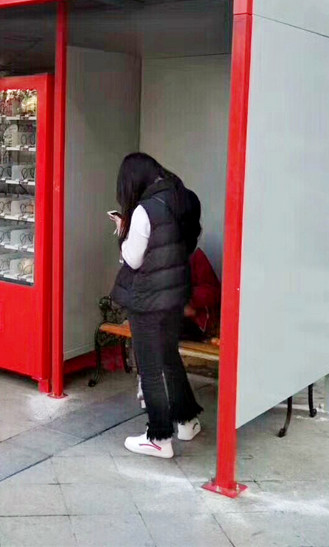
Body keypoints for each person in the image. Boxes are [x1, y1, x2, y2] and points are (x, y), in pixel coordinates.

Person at [109, 153, 203, 459]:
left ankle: (159, 437)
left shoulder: (144, 210)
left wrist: (123, 230)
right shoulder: (183, 197)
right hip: (175, 294)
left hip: (148, 300)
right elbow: (187, 243)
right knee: (169, 358)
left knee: (149, 367)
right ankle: (187, 422)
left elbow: (133, 259)